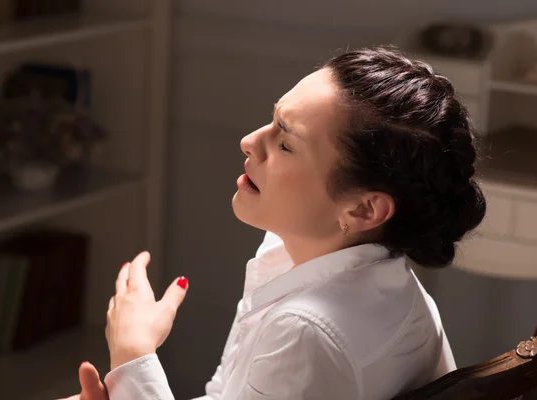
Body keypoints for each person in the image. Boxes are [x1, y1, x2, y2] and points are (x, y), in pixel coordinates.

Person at [61, 46, 486, 400]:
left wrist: (133, 354)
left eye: (284, 143)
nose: (250, 142)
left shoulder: (307, 332)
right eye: (272, 119)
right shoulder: (346, 271)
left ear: (362, 210)